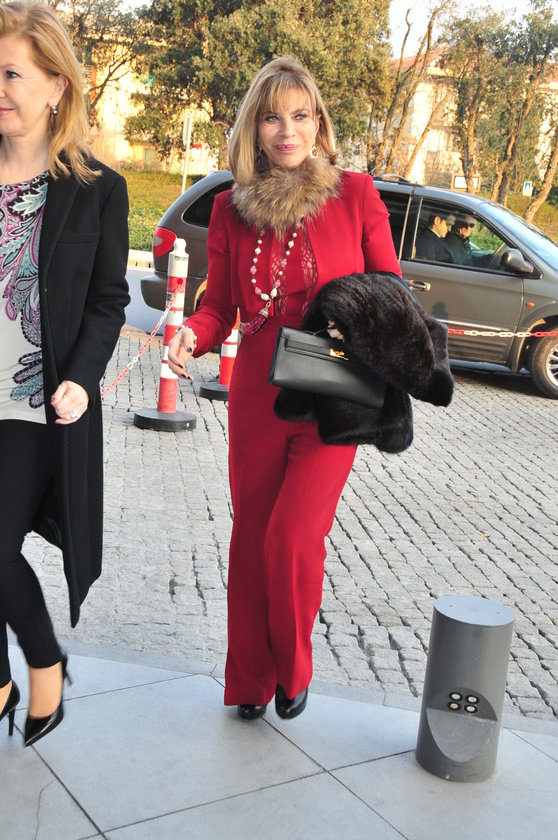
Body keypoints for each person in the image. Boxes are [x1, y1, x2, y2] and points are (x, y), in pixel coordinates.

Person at [168, 57, 402, 721]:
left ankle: (293, 668)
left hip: (335, 397)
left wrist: (356, 313)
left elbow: (390, 288)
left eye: (301, 115)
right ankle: (248, 681)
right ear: (255, 128)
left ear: (318, 124)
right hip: (259, 398)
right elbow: (222, 305)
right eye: (273, 117)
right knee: (251, 542)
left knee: (293, 538)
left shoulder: (355, 195)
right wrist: (192, 335)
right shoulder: (229, 209)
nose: (287, 129)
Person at [0, 2, 129, 747]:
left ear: (56, 85)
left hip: (33, 404)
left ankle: (43, 662)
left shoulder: (95, 188)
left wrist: (82, 374)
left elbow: (109, 300)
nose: (0, 89)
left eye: (12, 74)